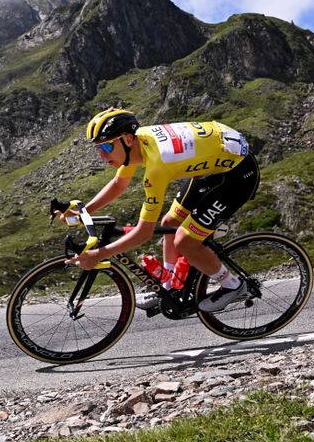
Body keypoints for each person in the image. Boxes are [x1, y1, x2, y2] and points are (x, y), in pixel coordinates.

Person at [66, 107, 260, 313]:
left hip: (239, 176)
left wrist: (99, 254)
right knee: (169, 223)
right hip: (214, 163)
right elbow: (118, 184)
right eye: (98, 148)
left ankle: (233, 285)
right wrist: (84, 210)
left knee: (185, 241)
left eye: (105, 147)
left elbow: (144, 232)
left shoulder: (157, 167)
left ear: (128, 139)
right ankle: (168, 287)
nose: (101, 155)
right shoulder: (138, 143)